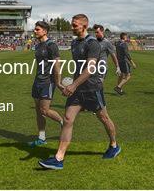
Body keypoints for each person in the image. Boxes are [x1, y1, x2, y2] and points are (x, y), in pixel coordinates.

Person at [39, 14, 120, 170]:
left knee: (103, 117)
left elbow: (90, 68)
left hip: (92, 88)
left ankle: (114, 145)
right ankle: (58, 158)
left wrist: (73, 85)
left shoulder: (93, 44)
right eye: (72, 24)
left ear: (84, 25)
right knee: (68, 119)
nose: (72, 27)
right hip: (77, 90)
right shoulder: (75, 43)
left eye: (75, 25)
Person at [28, 21, 64, 147]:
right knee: (38, 111)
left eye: (37, 29)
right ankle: (41, 138)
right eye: (35, 29)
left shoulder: (51, 45)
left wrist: (58, 82)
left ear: (45, 31)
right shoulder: (38, 46)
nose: (35, 31)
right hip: (37, 81)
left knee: (44, 110)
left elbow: (57, 65)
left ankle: (64, 123)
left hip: (47, 82)